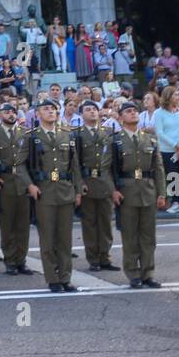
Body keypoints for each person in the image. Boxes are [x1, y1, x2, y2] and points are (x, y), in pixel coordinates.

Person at [28, 100, 82, 292]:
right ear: (37, 114)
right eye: (46, 109)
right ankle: (53, 279)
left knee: (65, 239)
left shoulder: (67, 135)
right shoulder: (32, 137)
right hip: (45, 191)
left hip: (65, 190)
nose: (50, 111)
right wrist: (30, 185)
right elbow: (20, 165)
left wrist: (78, 189)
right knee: (48, 239)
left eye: (53, 109)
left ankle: (65, 277)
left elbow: (74, 164)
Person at [112, 101, 168, 287]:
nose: (133, 113)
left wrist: (162, 193)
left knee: (148, 236)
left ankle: (148, 273)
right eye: (128, 111)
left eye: (135, 111)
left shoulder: (149, 139)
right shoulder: (115, 140)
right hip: (126, 191)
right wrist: (113, 190)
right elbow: (108, 169)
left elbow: (158, 168)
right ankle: (133, 274)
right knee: (130, 236)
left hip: (148, 190)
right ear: (120, 117)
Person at [0, 102, 33, 275]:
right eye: (6, 112)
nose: (10, 114)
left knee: (23, 226)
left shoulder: (26, 134)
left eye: (13, 111)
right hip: (5, 181)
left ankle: (21, 260)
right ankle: (10, 260)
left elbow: (31, 162)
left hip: (23, 182)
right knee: (7, 225)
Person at [75, 101, 119, 271]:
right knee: (90, 224)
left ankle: (105, 257)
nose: (92, 112)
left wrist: (115, 186)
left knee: (106, 223)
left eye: (94, 109)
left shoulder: (109, 132)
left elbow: (115, 161)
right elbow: (75, 162)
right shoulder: (77, 135)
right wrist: (80, 184)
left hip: (106, 181)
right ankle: (93, 259)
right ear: (82, 115)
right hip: (88, 181)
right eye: (87, 110)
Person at [154, 85, 179, 215]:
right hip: (167, 150)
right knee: (172, 176)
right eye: (175, 94)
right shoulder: (158, 113)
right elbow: (159, 133)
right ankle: (176, 202)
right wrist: (176, 145)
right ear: (168, 97)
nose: (178, 97)